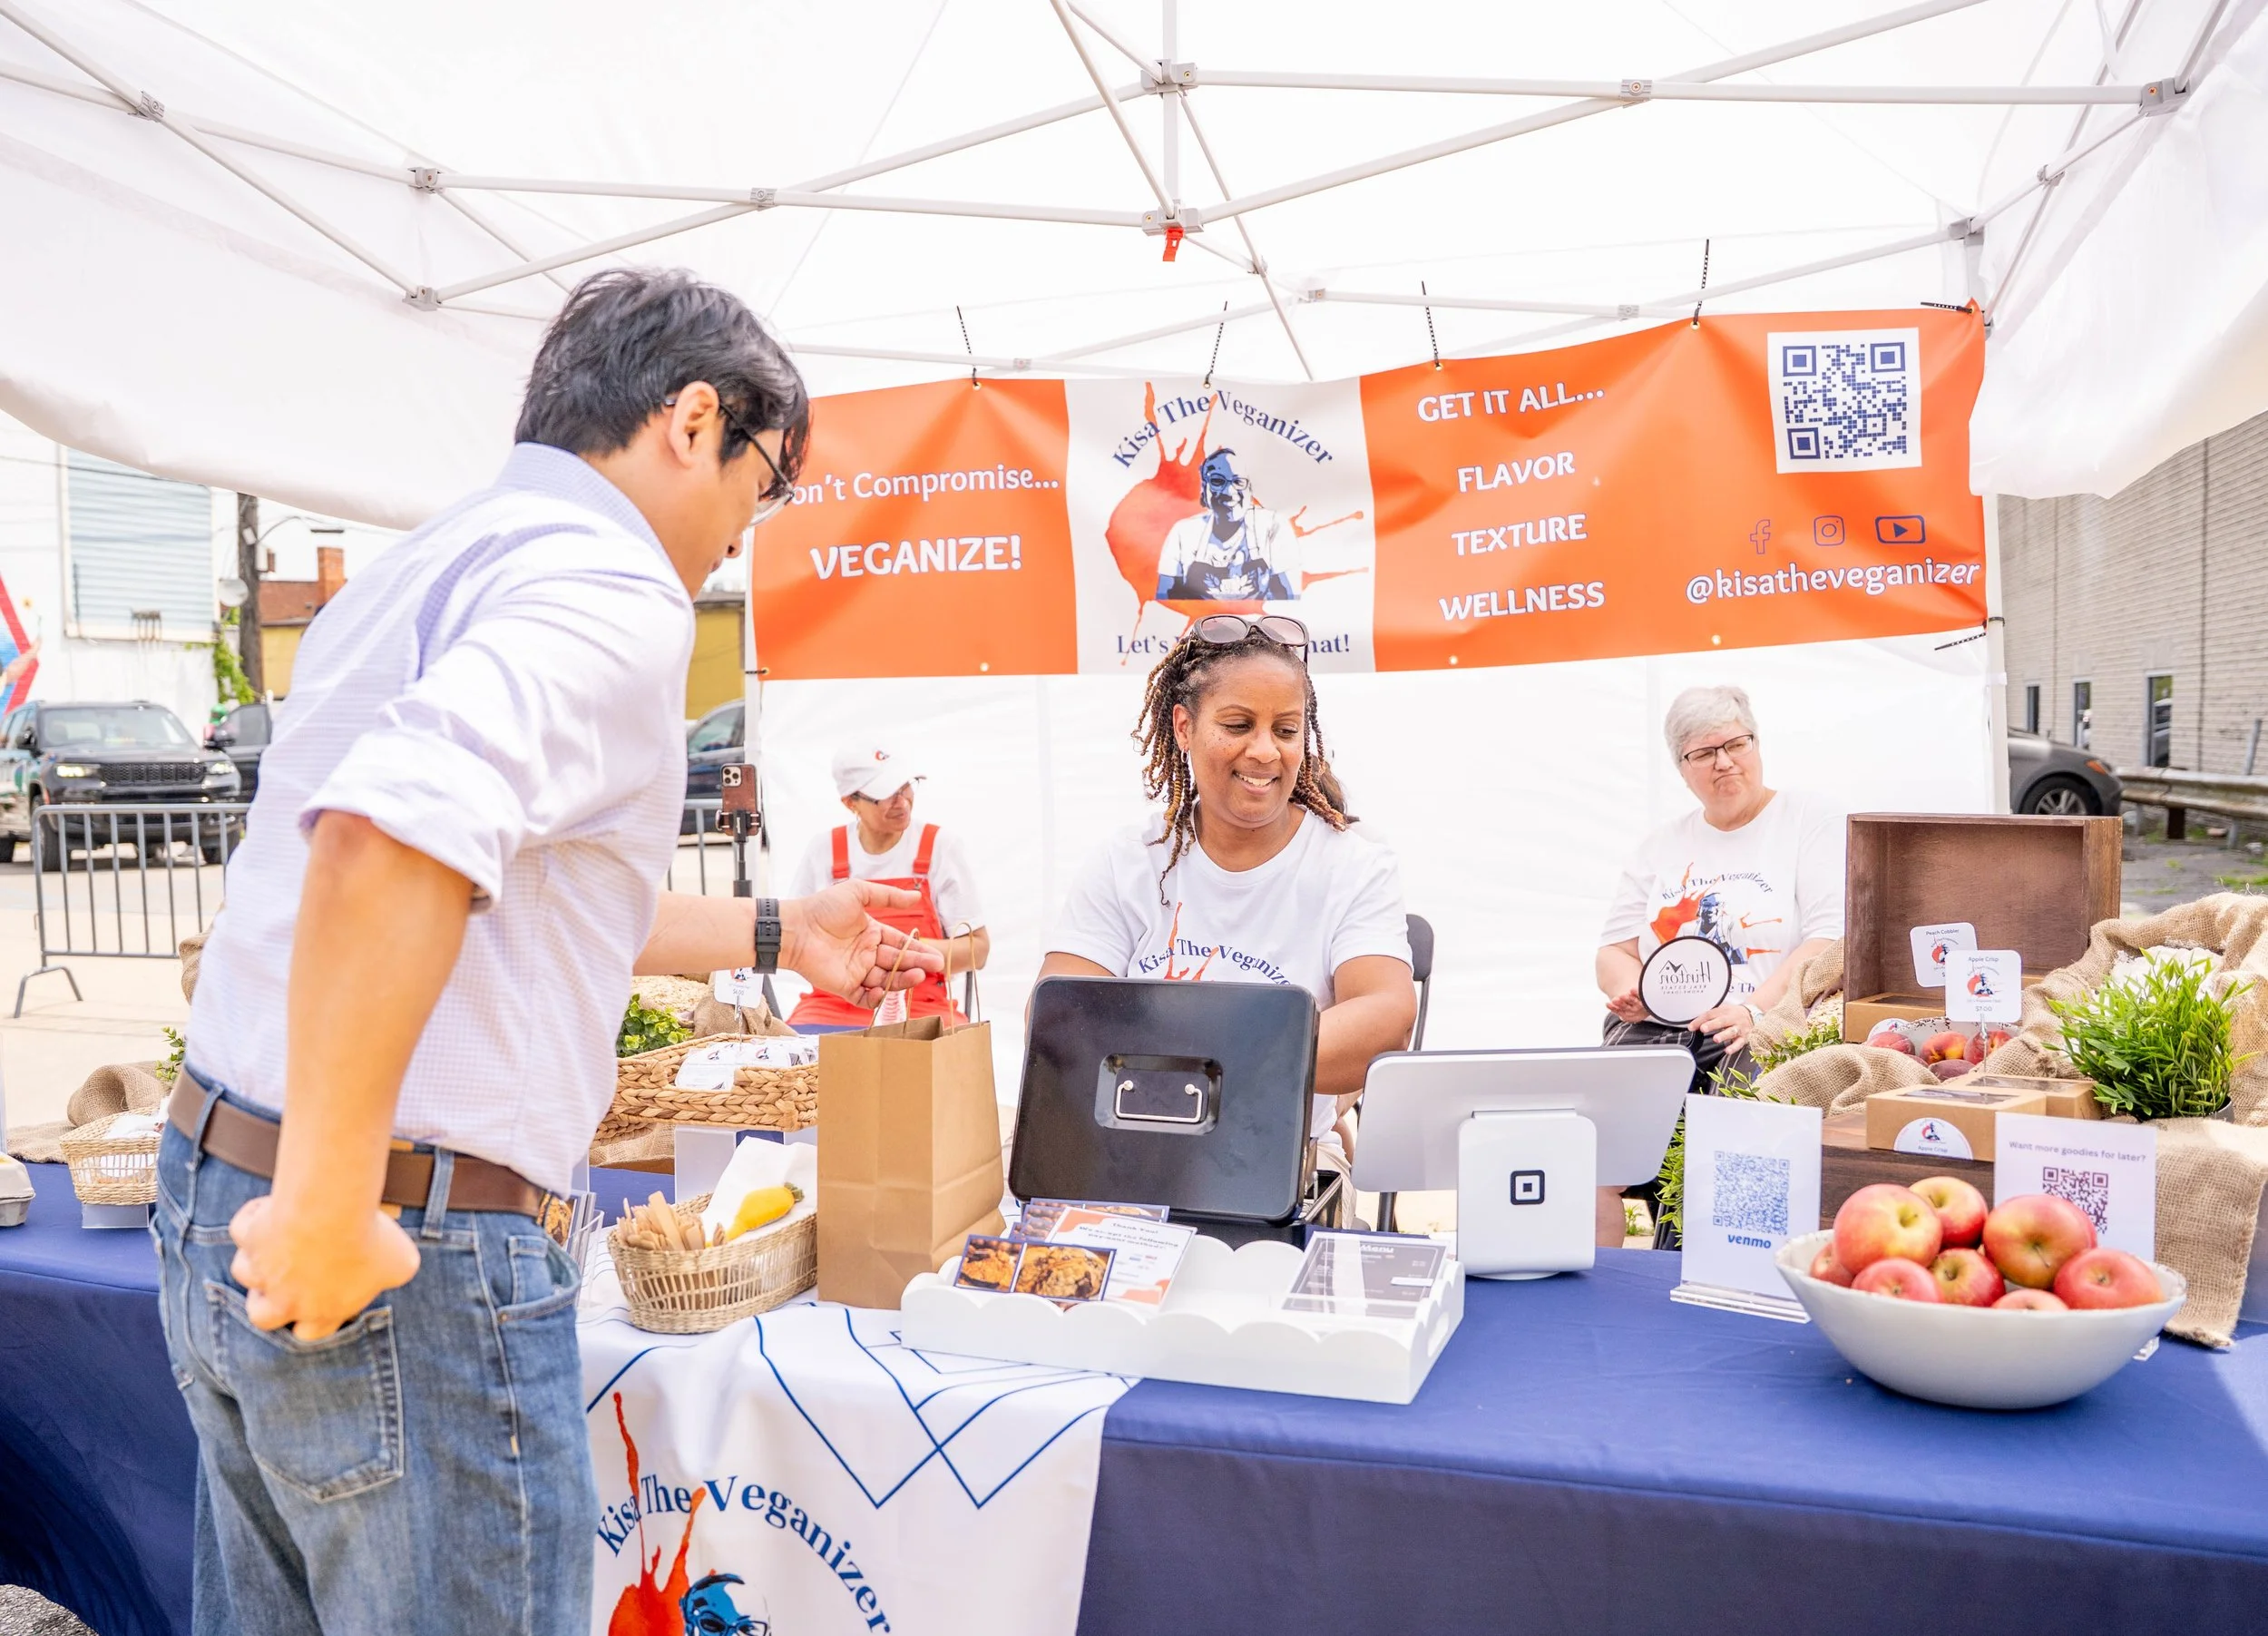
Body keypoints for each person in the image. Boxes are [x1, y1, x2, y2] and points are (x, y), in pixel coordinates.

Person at [152, 268, 940, 1636]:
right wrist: (337, 1202)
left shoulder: (428, 556)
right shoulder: (614, 586)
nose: (745, 536)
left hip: (222, 1192)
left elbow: (501, 880)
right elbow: (385, 841)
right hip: (404, 1238)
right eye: (766, 480)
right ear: (694, 419)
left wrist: (774, 926)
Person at [1041, 613, 1415, 1160]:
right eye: (1238, 726)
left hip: (1281, 1155)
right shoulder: (1129, 861)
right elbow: (1058, 1015)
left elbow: (1386, 1017)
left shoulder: (1353, 866)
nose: (1266, 751)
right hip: (1128, 1146)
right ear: (1184, 727)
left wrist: (1196, 1060)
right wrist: (1254, 1053)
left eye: (1286, 730)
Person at [1593, 683, 1845, 1241]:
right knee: (1593, 1145)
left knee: (1731, 1136)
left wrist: (1752, 1010)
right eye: (1704, 753)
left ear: (1757, 742)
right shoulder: (1661, 845)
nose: (1725, 762)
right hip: (1659, 1025)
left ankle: (1707, 1266)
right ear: (1682, 767)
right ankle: (1604, 1298)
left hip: (1763, 1020)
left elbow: (1830, 940)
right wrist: (1639, 991)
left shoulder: (1808, 819)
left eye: (1736, 743)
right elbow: (1612, 950)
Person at [785, 742, 987, 1026]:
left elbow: (978, 950)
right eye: (886, 795)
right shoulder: (824, 851)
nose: (902, 801)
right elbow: (794, 936)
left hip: (922, 1006)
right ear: (850, 802)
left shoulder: (941, 847)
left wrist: (907, 950)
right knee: (797, 1064)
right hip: (833, 1003)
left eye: (906, 786)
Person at [1156, 448, 1297, 602]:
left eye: (1238, 482)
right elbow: (1165, 602)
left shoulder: (1273, 527)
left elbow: (1290, 600)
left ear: (1250, 490)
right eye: (1217, 481)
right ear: (1204, 489)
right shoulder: (1182, 533)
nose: (1230, 491)